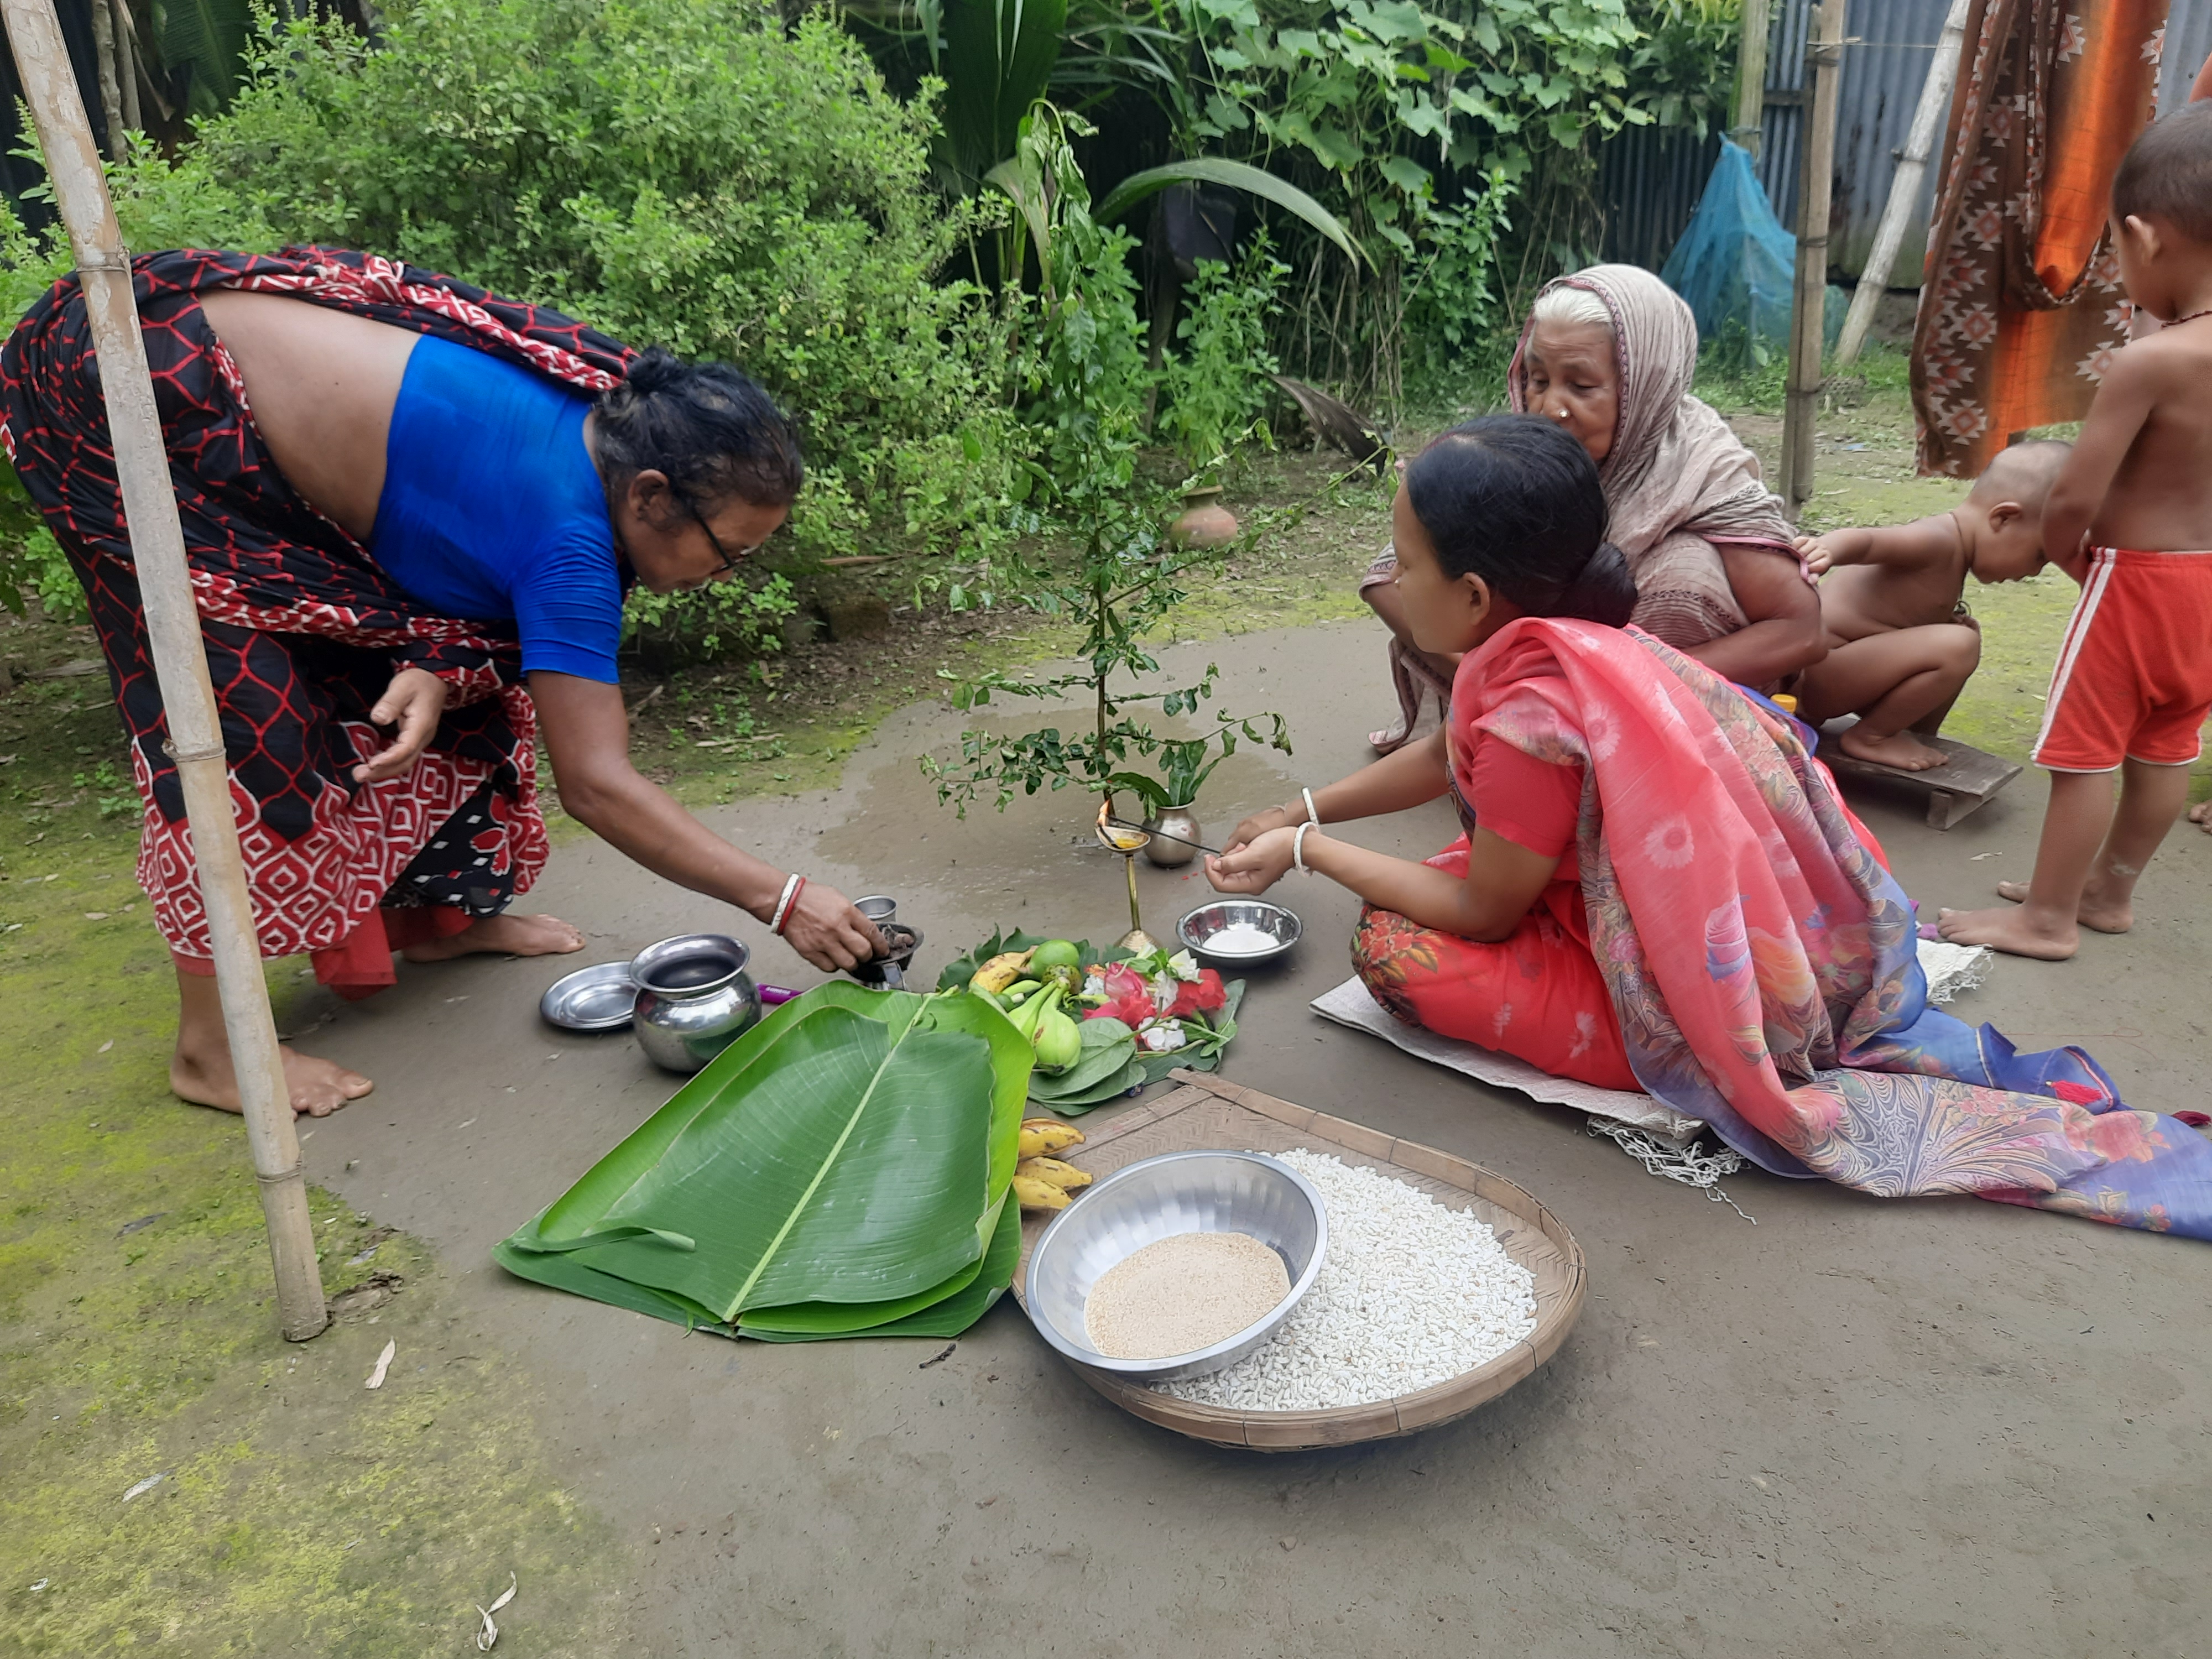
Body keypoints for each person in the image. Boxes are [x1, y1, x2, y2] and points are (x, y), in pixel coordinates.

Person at [1212, 414, 2212, 1238]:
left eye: (1406, 560)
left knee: (1394, 946)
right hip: (1744, 913)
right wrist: (1304, 806)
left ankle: (1662, 1037)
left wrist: (1311, 854)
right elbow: (1448, 756)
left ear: (1470, 596)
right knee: (1447, 859)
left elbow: (1479, 911)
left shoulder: (1530, 708)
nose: (1389, 574)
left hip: (1686, 978)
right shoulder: (1549, 642)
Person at [0, 247, 883, 1117]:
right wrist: (786, 900)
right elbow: (598, 786)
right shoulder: (570, 545)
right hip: (131, 388)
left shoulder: (620, 410)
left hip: (249, 394)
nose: (725, 574)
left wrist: (438, 660)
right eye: (728, 551)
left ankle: (435, 918)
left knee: (465, 672)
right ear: (650, 497)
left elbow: (475, 577)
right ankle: (211, 1049)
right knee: (242, 723)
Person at [1937, 107, 2212, 959]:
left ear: (2146, 237)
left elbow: (2073, 501)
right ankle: (2106, 892)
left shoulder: (2153, 361)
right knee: (2167, 745)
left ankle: (2047, 918)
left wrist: (2068, 558)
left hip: (2137, 582)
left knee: (2085, 752)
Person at [1359, 263, 1823, 750]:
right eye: (1537, 379)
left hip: (1667, 708)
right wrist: (1503, 683)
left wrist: (1611, 683)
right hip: (1528, 688)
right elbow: (1386, 579)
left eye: (1580, 387)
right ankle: (1513, 728)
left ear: (1648, 381)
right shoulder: (1517, 454)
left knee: (1683, 573)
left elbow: (1800, 632)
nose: (1549, 408)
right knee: (1429, 576)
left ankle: (1631, 754)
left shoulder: (1704, 470)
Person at [1792, 440, 2070, 770]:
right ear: (2004, 518)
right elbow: (1869, 542)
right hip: (1812, 679)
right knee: (1959, 645)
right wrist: (1828, 548)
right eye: (2040, 556)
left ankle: (1908, 732)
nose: (2033, 572)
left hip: (1837, 679)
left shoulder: (1955, 556)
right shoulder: (1936, 539)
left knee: (1960, 635)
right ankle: (1871, 737)